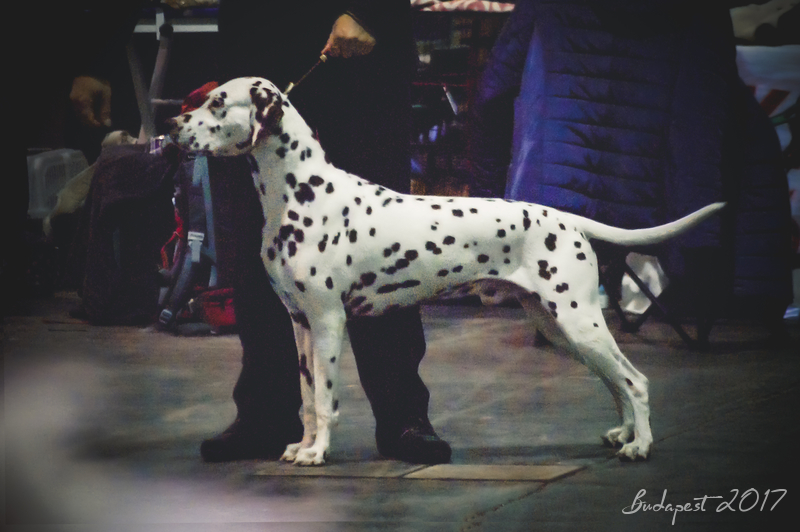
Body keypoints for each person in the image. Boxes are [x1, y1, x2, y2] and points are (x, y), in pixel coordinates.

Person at [67, 1, 451, 464]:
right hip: (256, 49)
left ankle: (402, 414)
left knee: (380, 246)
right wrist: (99, 57)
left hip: (355, 66)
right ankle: (267, 414)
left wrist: (371, 10)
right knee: (254, 249)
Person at [465, 0, 793, 336]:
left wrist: (488, 211)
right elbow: (714, 114)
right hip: (661, 209)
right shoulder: (702, 9)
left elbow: (492, 94)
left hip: (555, 206)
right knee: (752, 138)